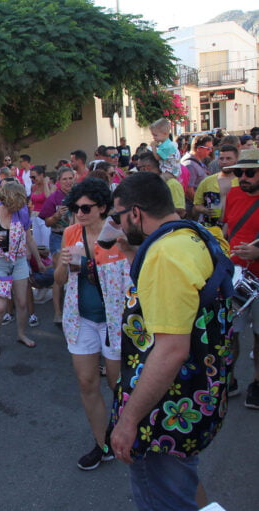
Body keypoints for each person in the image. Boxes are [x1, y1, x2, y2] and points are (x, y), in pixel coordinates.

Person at [109, 172, 231, 511]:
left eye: (117, 217)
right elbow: (177, 306)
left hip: (166, 410)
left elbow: (171, 349)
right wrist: (134, 257)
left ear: (135, 213)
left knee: (166, 499)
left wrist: (129, 420)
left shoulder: (163, 256)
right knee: (182, 484)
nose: (117, 226)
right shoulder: (195, 235)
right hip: (198, 397)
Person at [55, 178, 130, 471]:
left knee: (117, 384)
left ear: (101, 207)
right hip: (81, 318)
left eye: (85, 208)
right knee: (86, 382)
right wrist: (61, 263)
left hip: (114, 320)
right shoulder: (71, 233)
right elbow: (60, 280)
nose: (79, 213)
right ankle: (104, 444)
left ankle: (130, 433)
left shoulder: (119, 233)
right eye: (74, 208)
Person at [0, 182, 44, 355]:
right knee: (0, 306)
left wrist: (39, 260)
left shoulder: (21, 213)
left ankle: (21, 334)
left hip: (18, 260)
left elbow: (29, 238)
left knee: (22, 302)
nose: (19, 207)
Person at [222, 148, 259, 407]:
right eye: (239, 172)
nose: (242, 177)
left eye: (249, 172)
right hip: (234, 276)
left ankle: (257, 383)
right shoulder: (233, 194)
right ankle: (229, 380)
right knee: (229, 333)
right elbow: (227, 229)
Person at [39, 167, 76, 324]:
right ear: (58, 182)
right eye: (64, 179)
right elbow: (46, 222)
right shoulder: (54, 198)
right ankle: (58, 313)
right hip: (58, 236)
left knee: (76, 272)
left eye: (70, 178)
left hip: (77, 237)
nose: (68, 182)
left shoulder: (79, 195)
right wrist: (56, 216)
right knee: (59, 275)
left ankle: (74, 311)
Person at [193, 144, 239, 229]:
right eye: (221, 158)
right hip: (210, 228)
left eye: (228, 158)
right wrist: (205, 210)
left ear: (236, 160)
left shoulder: (242, 182)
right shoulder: (207, 181)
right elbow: (197, 205)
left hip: (234, 227)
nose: (224, 161)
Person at [136, 152, 186, 219]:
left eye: (138, 168)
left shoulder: (172, 184)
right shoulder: (147, 185)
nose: (138, 171)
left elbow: (181, 212)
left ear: (146, 168)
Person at [181, 134, 214, 212]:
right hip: (193, 208)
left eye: (211, 148)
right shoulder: (190, 164)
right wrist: (200, 206)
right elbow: (189, 191)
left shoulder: (197, 160)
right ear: (199, 149)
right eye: (208, 148)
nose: (211, 151)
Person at [29, 165, 54, 248]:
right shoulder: (33, 187)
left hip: (45, 217)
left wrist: (46, 183)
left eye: (34, 177)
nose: (32, 179)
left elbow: (49, 198)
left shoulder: (50, 186)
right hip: (34, 217)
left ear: (42, 175)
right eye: (31, 177)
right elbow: (31, 202)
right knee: (37, 243)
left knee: (46, 244)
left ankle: (49, 260)